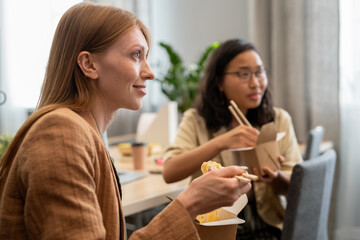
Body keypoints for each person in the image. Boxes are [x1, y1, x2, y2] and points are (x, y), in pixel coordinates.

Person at [0, 4, 252, 239]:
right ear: (89, 64)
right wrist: (190, 203)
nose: (149, 72)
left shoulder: (82, 130)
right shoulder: (61, 132)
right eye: (135, 55)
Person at [162, 39, 303, 239]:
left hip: (266, 224)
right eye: (244, 74)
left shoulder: (278, 119)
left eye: (260, 72)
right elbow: (170, 172)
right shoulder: (196, 119)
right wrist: (222, 142)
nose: (256, 83)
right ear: (219, 82)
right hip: (215, 225)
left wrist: (274, 177)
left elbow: (297, 185)